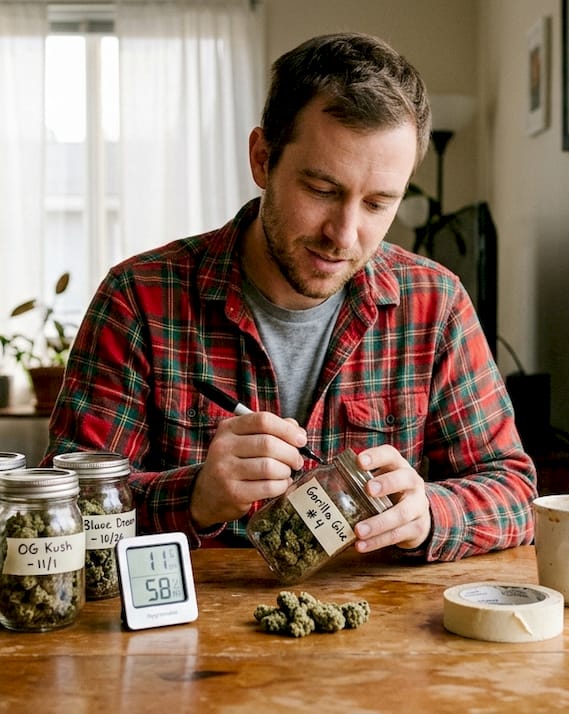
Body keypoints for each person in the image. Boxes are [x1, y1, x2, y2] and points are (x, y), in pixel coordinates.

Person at [43, 32, 536, 561]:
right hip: (191, 634)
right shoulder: (138, 299)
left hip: (376, 633)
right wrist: (194, 498)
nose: (344, 235)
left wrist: (430, 512)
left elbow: (514, 491)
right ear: (262, 159)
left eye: (377, 203)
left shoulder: (434, 304)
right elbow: (63, 511)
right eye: (322, 191)